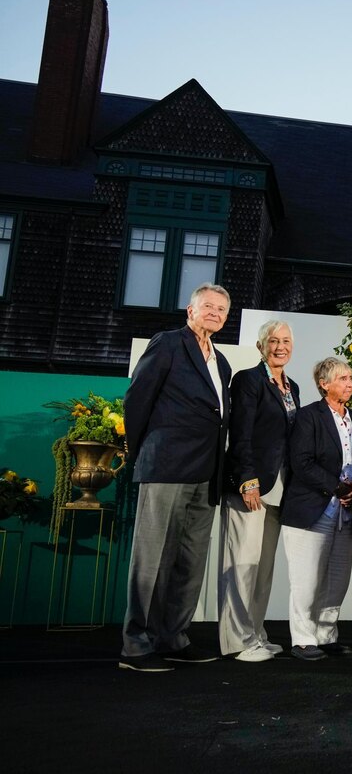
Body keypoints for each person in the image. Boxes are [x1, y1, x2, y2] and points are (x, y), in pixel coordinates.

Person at [119, 283, 233, 672]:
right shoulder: (167, 344)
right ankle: (136, 645)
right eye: (208, 307)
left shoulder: (222, 362)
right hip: (166, 466)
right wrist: (144, 454)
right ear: (190, 310)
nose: (215, 313)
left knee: (189, 560)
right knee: (152, 559)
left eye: (221, 309)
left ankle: (173, 636)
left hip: (206, 474)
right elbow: (137, 400)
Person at [219, 319, 299, 662]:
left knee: (263, 568)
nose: (280, 346)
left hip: (280, 490)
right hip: (251, 487)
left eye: (285, 341)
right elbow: (240, 434)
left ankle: (255, 632)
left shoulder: (291, 385)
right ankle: (237, 641)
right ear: (261, 346)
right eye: (273, 340)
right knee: (242, 564)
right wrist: (246, 480)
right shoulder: (248, 380)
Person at [280, 357, 352, 661]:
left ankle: (325, 634)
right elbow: (301, 462)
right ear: (324, 384)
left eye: (350, 378)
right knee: (307, 579)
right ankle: (303, 639)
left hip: (345, 514)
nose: (349, 383)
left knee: (336, 577)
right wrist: (337, 487)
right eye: (342, 378)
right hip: (311, 510)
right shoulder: (308, 417)